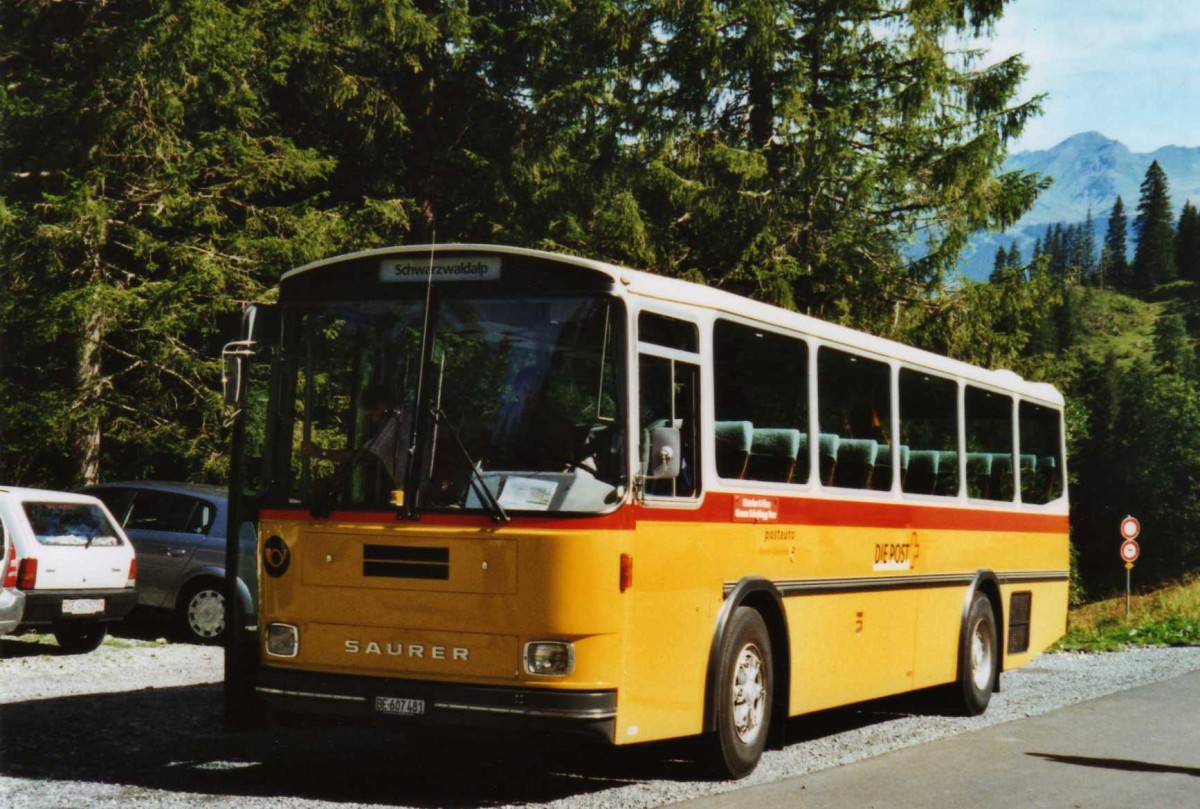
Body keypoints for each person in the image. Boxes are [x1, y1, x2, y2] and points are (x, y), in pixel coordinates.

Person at [303, 385, 410, 487]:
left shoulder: (396, 420)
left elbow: (363, 455)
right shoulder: (404, 415)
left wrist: (321, 452)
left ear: (381, 405)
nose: (374, 421)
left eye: (372, 415)